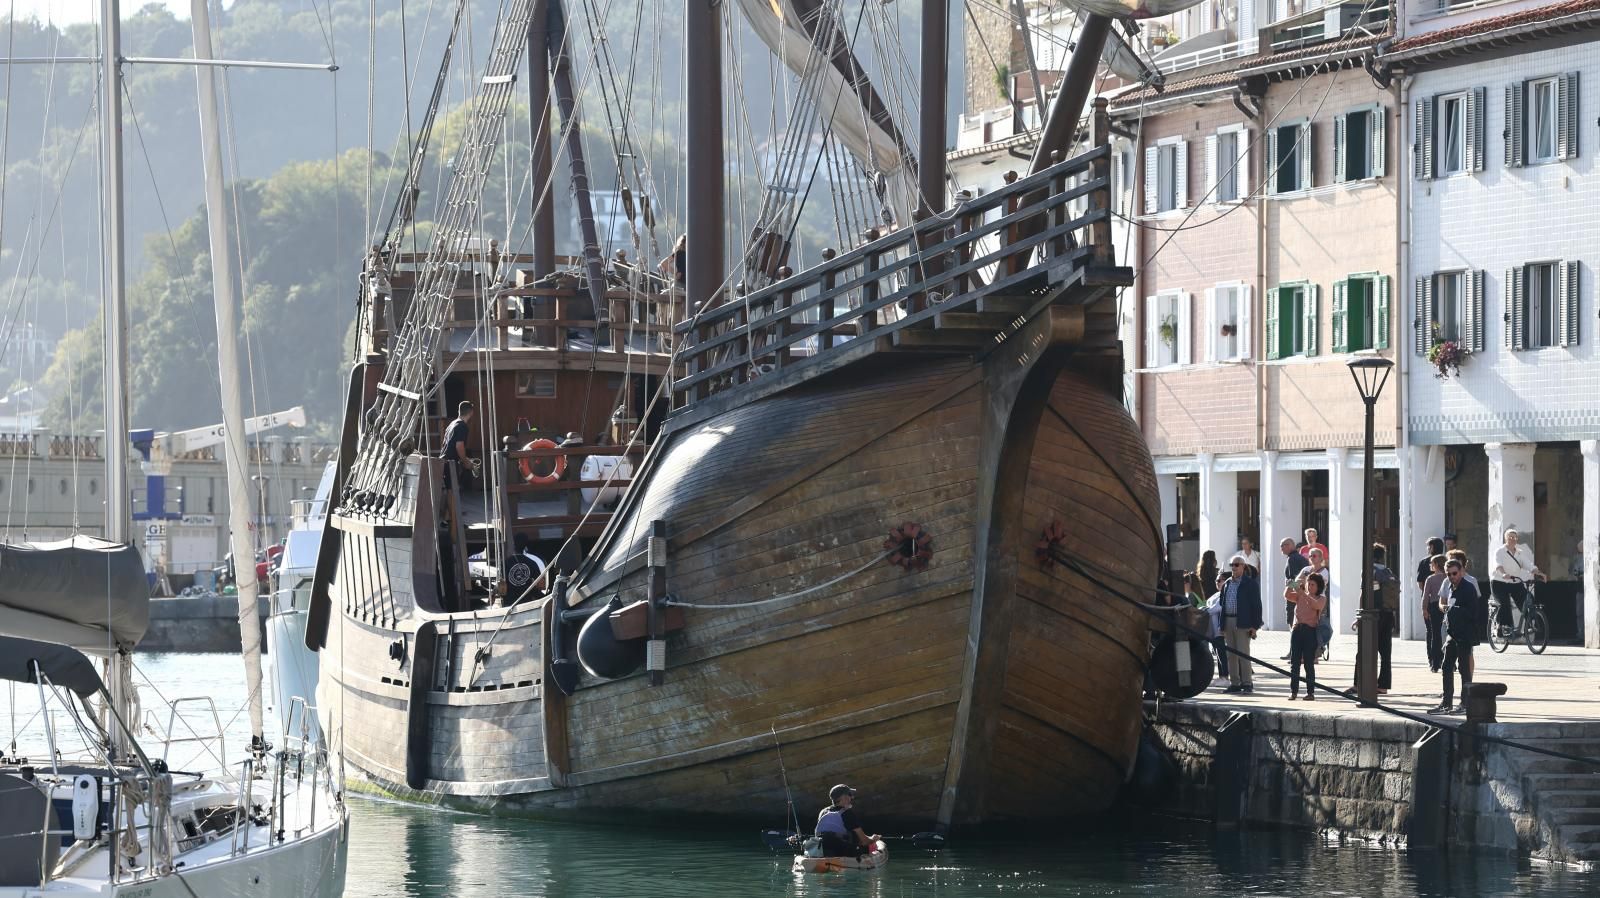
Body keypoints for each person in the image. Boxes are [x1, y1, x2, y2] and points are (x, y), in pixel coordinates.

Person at [1433, 559, 1478, 715]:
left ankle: (1465, 704)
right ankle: (1446, 703)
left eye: (1454, 573)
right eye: (1449, 574)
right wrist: (1448, 610)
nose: (1452, 577)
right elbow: (1444, 604)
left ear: (1461, 572)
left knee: (1464, 669)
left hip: (1464, 633)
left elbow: (1473, 612)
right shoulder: (1451, 587)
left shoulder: (1468, 588)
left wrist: (1454, 610)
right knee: (1446, 666)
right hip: (1452, 633)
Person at [1219, 554, 1262, 694]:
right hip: (1228, 621)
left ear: (1243, 566)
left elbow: (1257, 606)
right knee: (1231, 655)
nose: (1234, 567)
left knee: (1243, 654)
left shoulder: (1250, 584)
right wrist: (1221, 625)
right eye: (1232, 565)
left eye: (1236, 565)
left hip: (1243, 622)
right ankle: (1235, 683)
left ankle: (1247, 683)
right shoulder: (1227, 583)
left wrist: (1255, 626)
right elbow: (1222, 605)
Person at [1491, 528, 1545, 633]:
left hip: (1514, 582)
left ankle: (1530, 623)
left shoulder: (1520, 553)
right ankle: (1502, 627)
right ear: (1506, 538)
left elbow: (1528, 565)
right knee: (1504, 604)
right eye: (1510, 537)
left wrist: (1539, 573)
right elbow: (1498, 565)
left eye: (1515, 537)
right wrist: (1503, 574)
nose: (1513, 539)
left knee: (1527, 600)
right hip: (1499, 582)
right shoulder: (1500, 551)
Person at [1285, 572, 1327, 701]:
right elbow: (1287, 596)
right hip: (1297, 630)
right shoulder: (1301, 595)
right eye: (1308, 583)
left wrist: (1302, 593)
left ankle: (1310, 692)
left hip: (1310, 631)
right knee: (1295, 662)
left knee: (1308, 663)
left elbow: (1315, 605)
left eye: (1313, 584)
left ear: (1318, 586)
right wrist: (1291, 585)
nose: (1310, 586)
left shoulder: (1321, 598)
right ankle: (1293, 691)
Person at [814, 785, 880, 858]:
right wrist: (873, 839)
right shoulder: (847, 813)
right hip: (841, 852)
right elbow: (865, 841)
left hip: (821, 850)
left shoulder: (823, 812)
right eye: (850, 794)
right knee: (870, 847)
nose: (852, 797)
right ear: (844, 797)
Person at [1187, 572, 1226, 682]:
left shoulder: (1225, 594)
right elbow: (1208, 605)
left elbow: (1216, 608)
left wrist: (1204, 610)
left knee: (1222, 654)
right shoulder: (1216, 594)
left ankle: (1225, 676)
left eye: (1220, 580)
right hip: (1212, 630)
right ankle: (1222, 676)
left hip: (1220, 629)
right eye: (1216, 581)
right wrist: (1205, 609)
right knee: (1218, 653)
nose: (1217, 583)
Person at [1278, 538, 1309, 659]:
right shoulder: (1298, 558)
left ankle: (1294, 653)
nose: (1281, 548)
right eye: (1281, 546)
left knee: (1293, 625)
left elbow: (1295, 580)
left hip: (1294, 598)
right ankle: (1294, 652)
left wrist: (1292, 592)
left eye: (1283, 545)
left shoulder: (1293, 559)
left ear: (1291, 545)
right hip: (1300, 596)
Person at [1419, 537, 1447, 671]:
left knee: (1434, 634)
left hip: (1434, 606)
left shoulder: (1430, 578)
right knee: (1447, 634)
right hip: (1446, 606)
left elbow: (1425, 595)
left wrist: (1424, 609)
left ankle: (1435, 663)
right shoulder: (1448, 577)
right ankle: (1449, 661)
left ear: (1435, 565)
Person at [441, 401, 475, 487]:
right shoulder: (462, 426)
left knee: (449, 489)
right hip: (451, 463)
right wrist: (466, 461)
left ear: (459, 411)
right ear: (471, 412)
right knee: (453, 489)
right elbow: (459, 446)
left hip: (444, 461)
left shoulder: (451, 424)